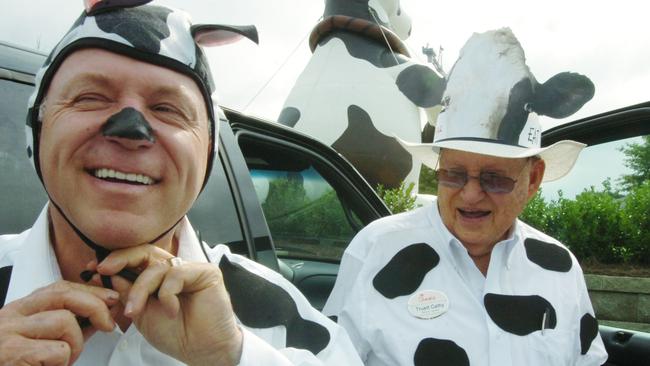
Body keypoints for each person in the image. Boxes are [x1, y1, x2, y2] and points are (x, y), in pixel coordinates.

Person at [0, 1, 363, 365]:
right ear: (38, 126)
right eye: (90, 98)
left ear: (206, 150)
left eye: (167, 109)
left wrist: (232, 357)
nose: (130, 131)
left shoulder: (283, 319)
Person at [323, 28, 608, 366]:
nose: (470, 194)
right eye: (454, 174)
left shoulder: (561, 267)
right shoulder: (375, 249)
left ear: (532, 180)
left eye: (494, 178)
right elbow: (331, 357)